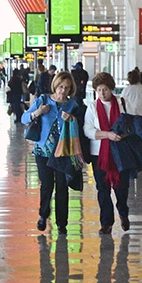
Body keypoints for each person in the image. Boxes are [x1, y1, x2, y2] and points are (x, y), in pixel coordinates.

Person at [22, 71, 86, 235]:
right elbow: (24, 118)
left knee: (62, 187)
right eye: (60, 87)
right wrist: (38, 112)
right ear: (55, 85)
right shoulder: (43, 100)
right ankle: (43, 215)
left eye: (66, 88)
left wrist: (71, 119)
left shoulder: (73, 105)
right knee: (47, 184)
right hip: (43, 152)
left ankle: (62, 223)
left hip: (63, 151)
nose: (62, 91)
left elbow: (81, 126)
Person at [84, 72, 131, 235]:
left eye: (104, 89)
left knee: (121, 187)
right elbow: (88, 130)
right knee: (102, 189)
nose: (102, 93)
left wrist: (122, 134)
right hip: (99, 154)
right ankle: (106, 222)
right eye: (98, 90)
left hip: (120, 152)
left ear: (111, 89)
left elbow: (130, 123)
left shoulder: (121, 103)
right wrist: (107, 134)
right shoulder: (92, 107)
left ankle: (123, 213)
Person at [120, 68, 142, 137]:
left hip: (129, 116)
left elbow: (121, 104)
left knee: (131, 135)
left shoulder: (125, 90)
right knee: (140, 135)